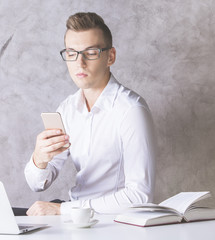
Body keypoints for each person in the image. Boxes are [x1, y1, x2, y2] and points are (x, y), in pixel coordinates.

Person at [24, 12, 156, 216]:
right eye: (71, 53)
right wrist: (39, 159)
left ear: (110, 56)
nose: (80, 63)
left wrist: (63, 210)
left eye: (91, 52)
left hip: (116, 223)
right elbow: (37, 184)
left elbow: (140, 196)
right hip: (77, 220)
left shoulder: (131, 111)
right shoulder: (67, 109)